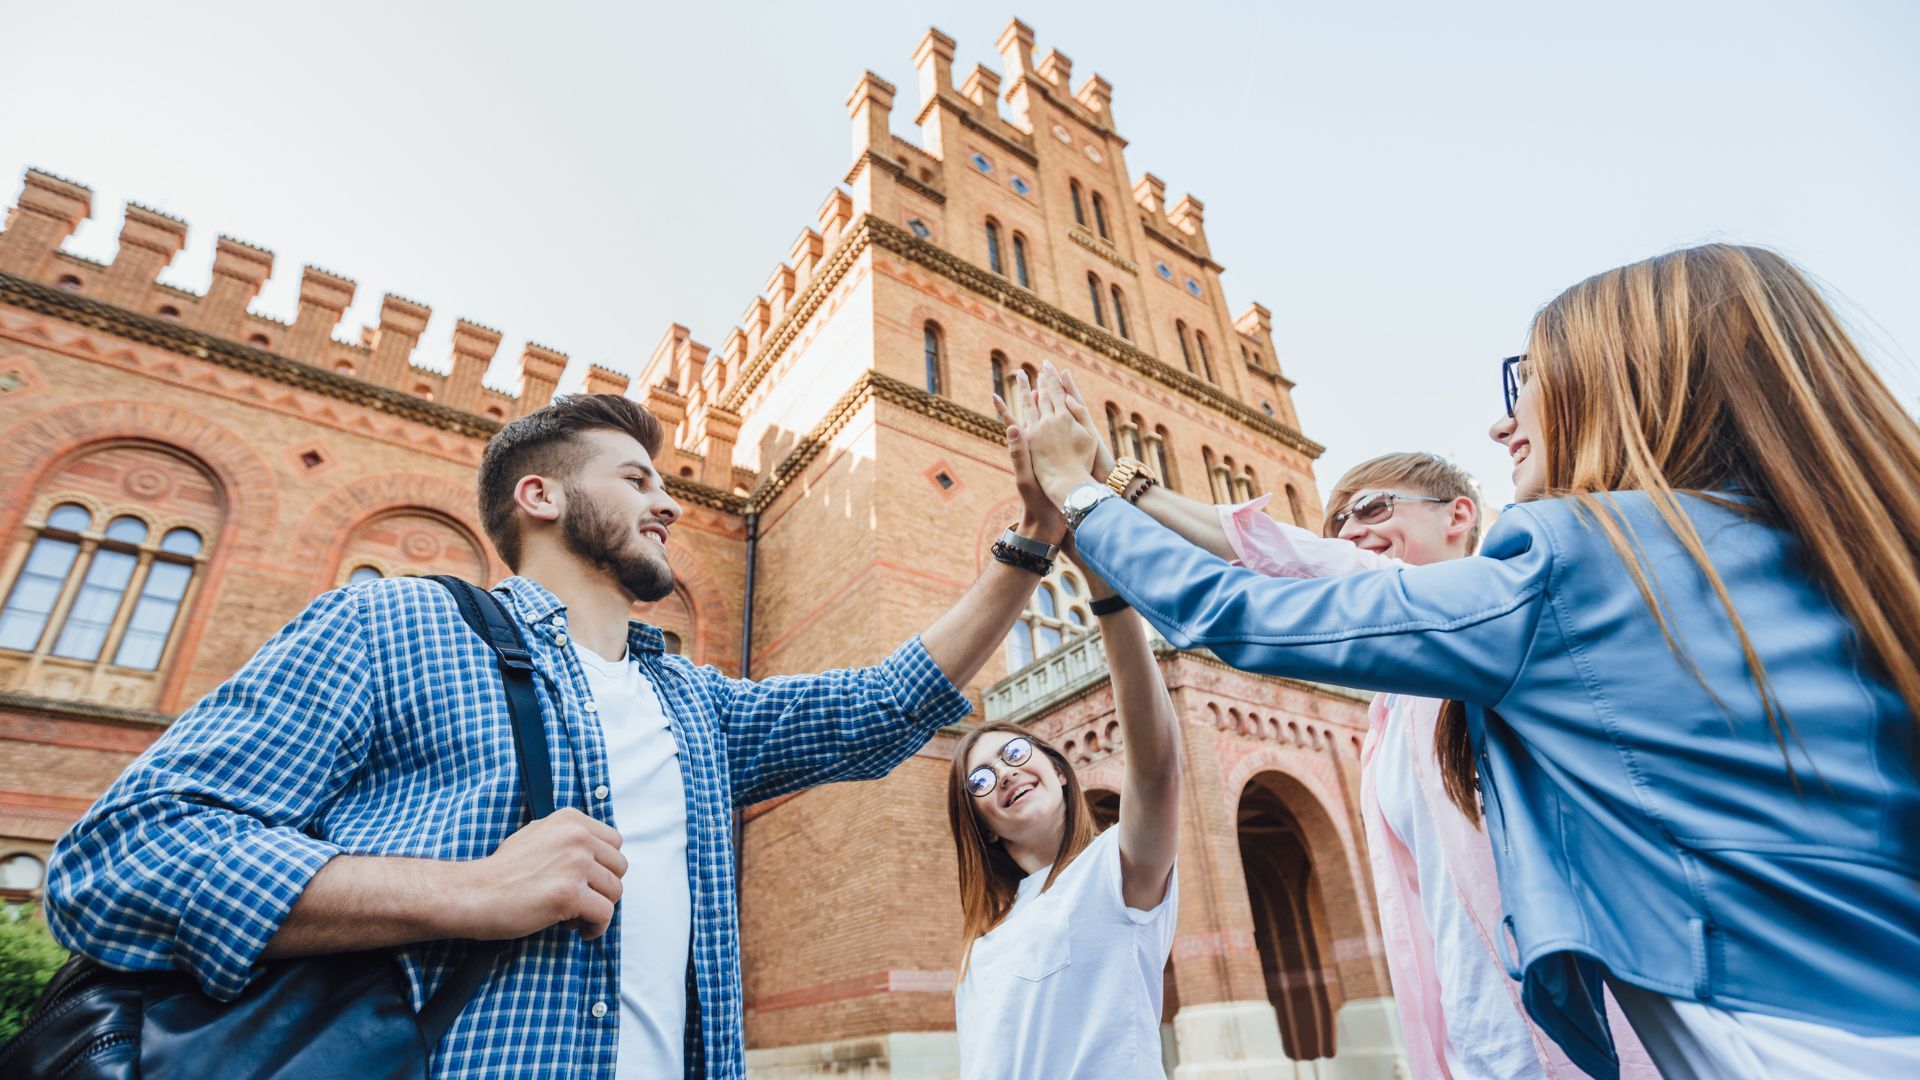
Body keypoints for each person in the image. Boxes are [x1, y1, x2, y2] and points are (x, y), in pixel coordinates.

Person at [1020, 244, 1920, 1080]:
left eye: (1524, 380)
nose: (1500, 423)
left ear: (1624, 382)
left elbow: (1246, 608)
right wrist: (1128, 486)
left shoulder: (1576, 559)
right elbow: (1303, 557)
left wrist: (1081, 495)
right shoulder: (1826, 552)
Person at [45, 393, 1065, 1080]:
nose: (668, 501)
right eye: (633, 479)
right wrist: (466, 891)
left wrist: (1030, 541)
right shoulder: (397, 624)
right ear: (541, 496)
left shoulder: (695, 707)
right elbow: (120, 859)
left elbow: (883, 706)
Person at [948, 375, 1180, 1079]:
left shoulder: (1115, 872)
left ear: (1058, 766)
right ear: (982, 822)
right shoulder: (981, 945)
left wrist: (1104, 586)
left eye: (1016, 752)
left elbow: (1153, 768)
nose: (1006, 773)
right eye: (981, 779)